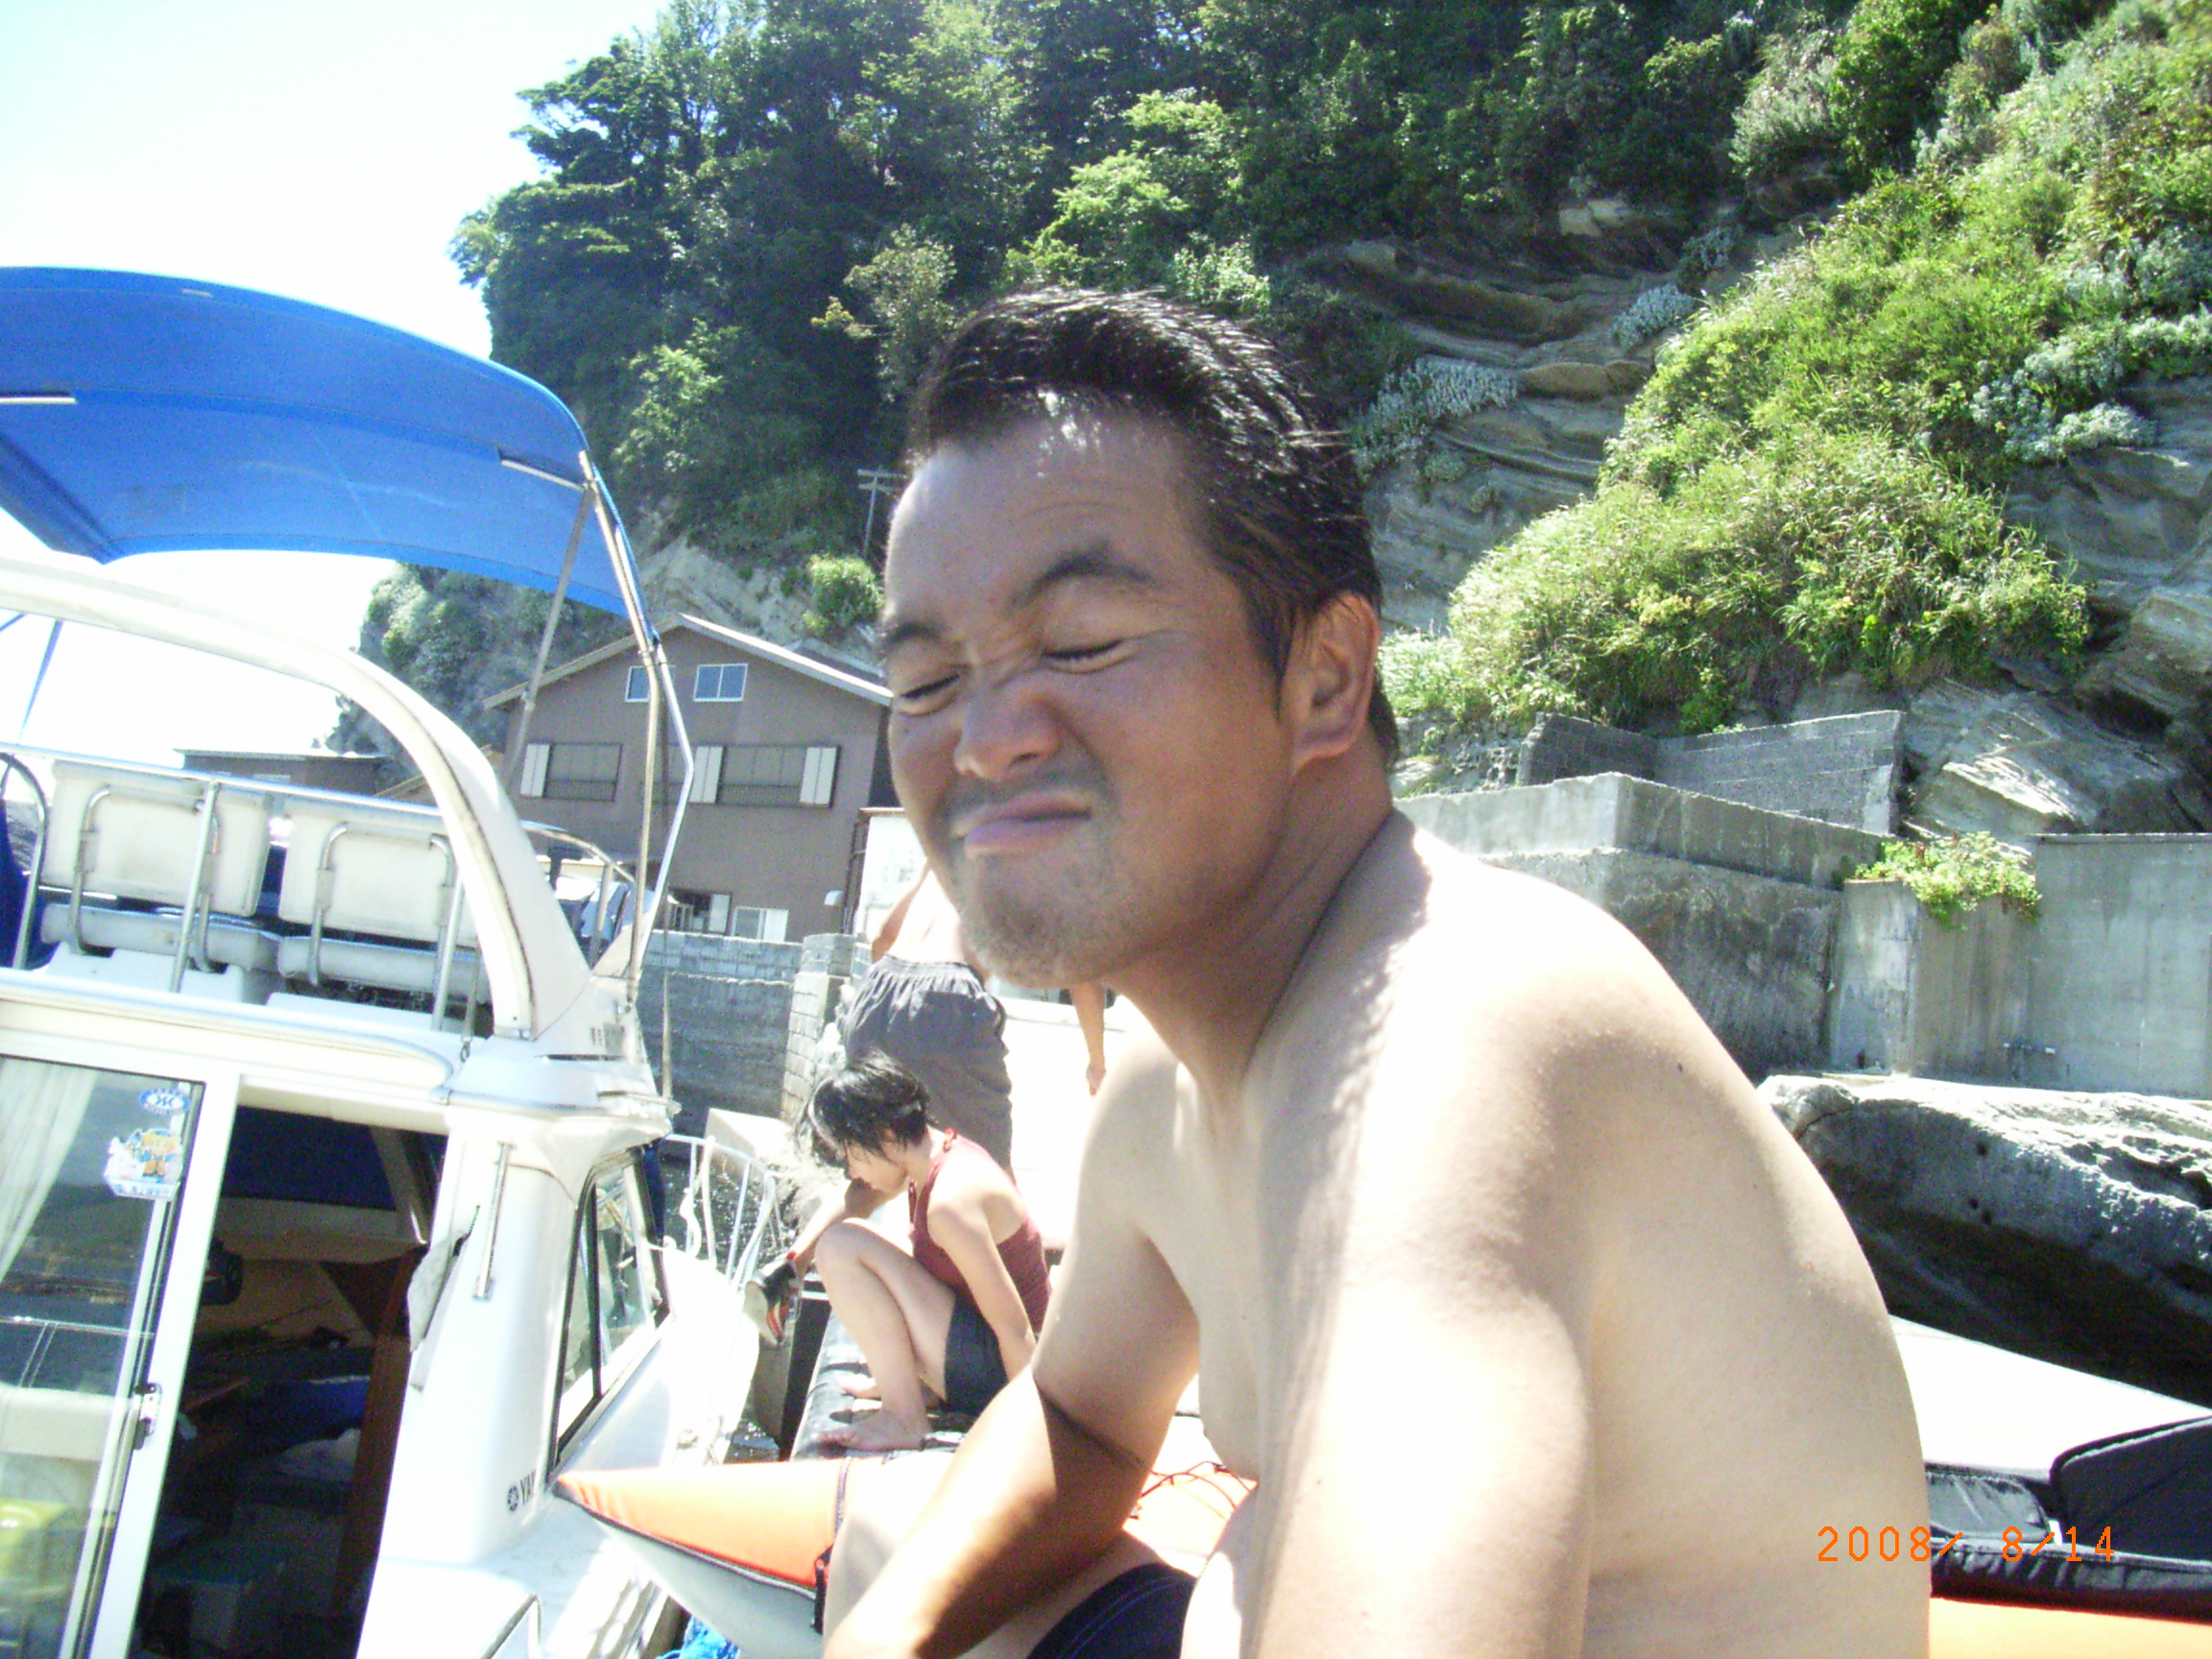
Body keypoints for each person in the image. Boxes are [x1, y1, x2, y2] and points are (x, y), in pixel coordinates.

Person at [822, 288, 1930, 1658]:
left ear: (1326, 679)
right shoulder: (1170, 1084)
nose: (984, 739)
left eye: (1084, 641)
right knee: (882, 1545)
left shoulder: (1453, 1045)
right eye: (927, 684)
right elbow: (1083, 1417)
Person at [804, 1052, 1052, 1453]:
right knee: (850, 1240)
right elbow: (857, 1204)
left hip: (1010, 1374)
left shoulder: (950, 1202)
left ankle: (904, 1417)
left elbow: (1014, 1329)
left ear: (885, 1136)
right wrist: (794, 1260)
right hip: (990, 1358)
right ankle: (910, 1387)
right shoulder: (938, 1156)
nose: (851, 1171)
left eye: (850, 1154)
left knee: (838, 1248)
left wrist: (1031, 1435)